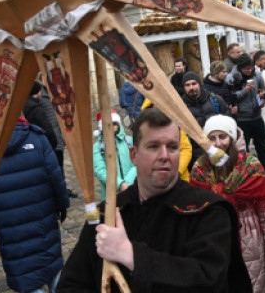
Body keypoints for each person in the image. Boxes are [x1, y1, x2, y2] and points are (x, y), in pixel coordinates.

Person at [58, 108, 252, 291]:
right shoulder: (107, 213)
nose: (165, 156)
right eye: (153, 147)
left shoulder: (208, 210)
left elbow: (208, 280)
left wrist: (131, 255)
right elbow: (72, 284)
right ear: (134, 155)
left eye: (172, 147)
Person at [0, 115, 69, 293]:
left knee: (24, 273)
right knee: (52, 267)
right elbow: (55, 175)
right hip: (42, 216)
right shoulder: (37, 137)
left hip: (9, 222)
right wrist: (62, 203)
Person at [190, 116, 265, 293]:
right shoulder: (199, 170)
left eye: (222, 137)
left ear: (231, 138)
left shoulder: (251, 167)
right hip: (214, 240)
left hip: (249, 241)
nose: (217, 143)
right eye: (212, 138)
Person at [227, 54, 265, 181]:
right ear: (240, 68)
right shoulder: (232, 78)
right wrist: (244, 91)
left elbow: (263, 89)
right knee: (243, 150)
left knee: (262, 147)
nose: (249, 70)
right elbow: (231, 97)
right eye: (246, 69)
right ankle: (247, 178)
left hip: (257, 116)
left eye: (251, 68)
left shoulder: (256, 74)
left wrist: (264, 100)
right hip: (242, 119)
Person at [181, 70, 230, 161]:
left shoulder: (216, 100)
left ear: (199, 84)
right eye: (187, 85)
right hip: (196, 156)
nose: (191, 87)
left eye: (194, 83)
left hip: (219, 150)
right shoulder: (181, 107)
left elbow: (229, 124)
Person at [94, 111, 136, 199]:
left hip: (132, 188)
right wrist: (119, 184)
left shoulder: (129, 141)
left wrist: (127, 183)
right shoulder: (97, 147)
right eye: (107, 124)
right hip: (111, 194)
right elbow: (100, 171)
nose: (111, 127)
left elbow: (138, 163)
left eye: (114, 123)